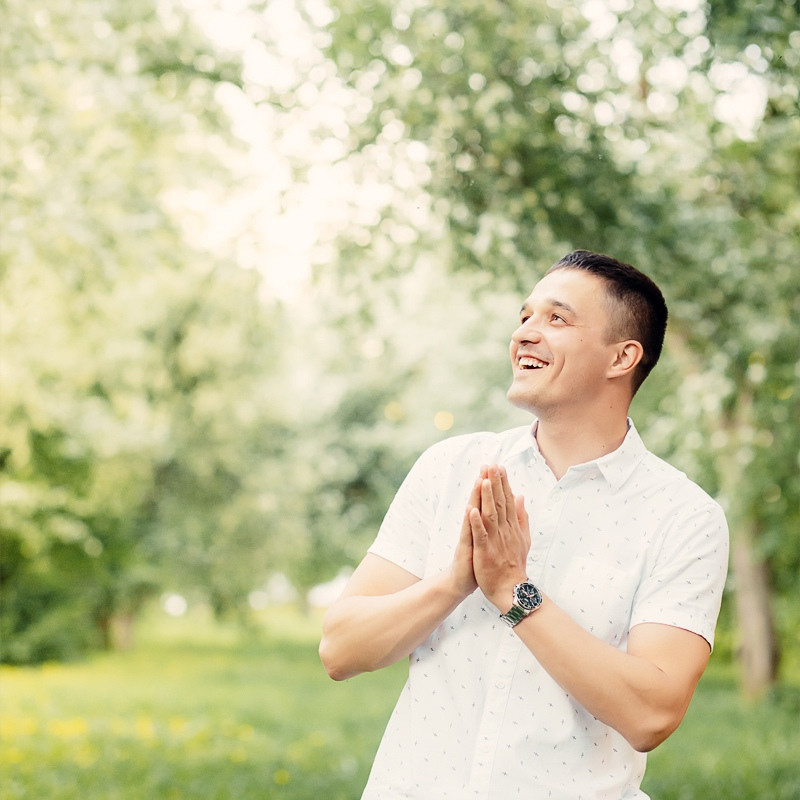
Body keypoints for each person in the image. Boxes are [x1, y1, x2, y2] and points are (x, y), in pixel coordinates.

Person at [319, 250, 729, 799]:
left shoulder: (684, 517)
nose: (525, 335)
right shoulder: (451, 469)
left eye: (556, 319)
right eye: (525, 317)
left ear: (622, 357)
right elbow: (341, 650)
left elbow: (651, 713)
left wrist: (514, 591)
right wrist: (454, 582)